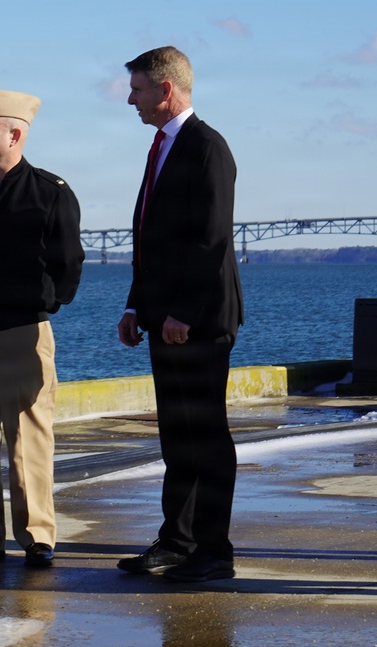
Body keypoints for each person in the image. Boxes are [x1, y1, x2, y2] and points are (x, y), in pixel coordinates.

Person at [115, 47, 244, 583]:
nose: (131, 99)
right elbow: (151, 236)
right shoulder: (163, 148)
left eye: (139, 90)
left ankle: (214, 550)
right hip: (165, 316)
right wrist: (135, 304)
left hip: (200, 319)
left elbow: (209, 239)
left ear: (166, 90)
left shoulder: (207, 148)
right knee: (176, 433)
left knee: (205, 434)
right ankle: (177, 540)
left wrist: (184, 313)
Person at [0, 89, 84, 569]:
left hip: (23, 329)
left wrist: (46, 303)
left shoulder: (51, 192)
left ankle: (37, 535)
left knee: (28, 436)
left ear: (15, 134)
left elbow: (69, 261)